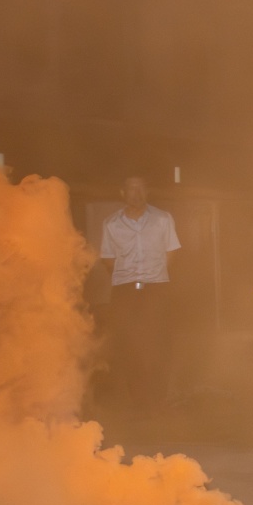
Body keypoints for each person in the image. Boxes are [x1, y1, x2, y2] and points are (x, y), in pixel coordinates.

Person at [99, 175, 181, 409]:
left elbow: (171, 252)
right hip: (125, 291)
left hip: (156, 288)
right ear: (122, 193)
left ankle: (159, 396)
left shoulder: (162, 219)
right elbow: (107, 258)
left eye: (141, 188)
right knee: (128, 345)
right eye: (131, 189)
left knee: (160, 342)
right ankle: (140, 400)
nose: (136, 193)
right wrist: (128, 276)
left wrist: (153, 274)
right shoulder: (111, 223)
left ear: (147, 191)